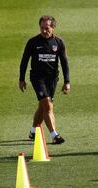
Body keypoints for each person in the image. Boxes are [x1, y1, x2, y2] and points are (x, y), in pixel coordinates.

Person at [19, 15, 70, 144]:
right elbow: (24, 60)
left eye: (47, 28)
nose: (44, 31)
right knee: (47, 104)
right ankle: (55, 135)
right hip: (37, 78)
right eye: (42, 28)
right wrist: (21, 78)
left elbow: (64, 62)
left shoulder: (58, 43)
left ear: (53, 28)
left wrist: (67, 82)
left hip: (52, 79)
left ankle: (33, 131)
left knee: (43, 107)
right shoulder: (33, 42)